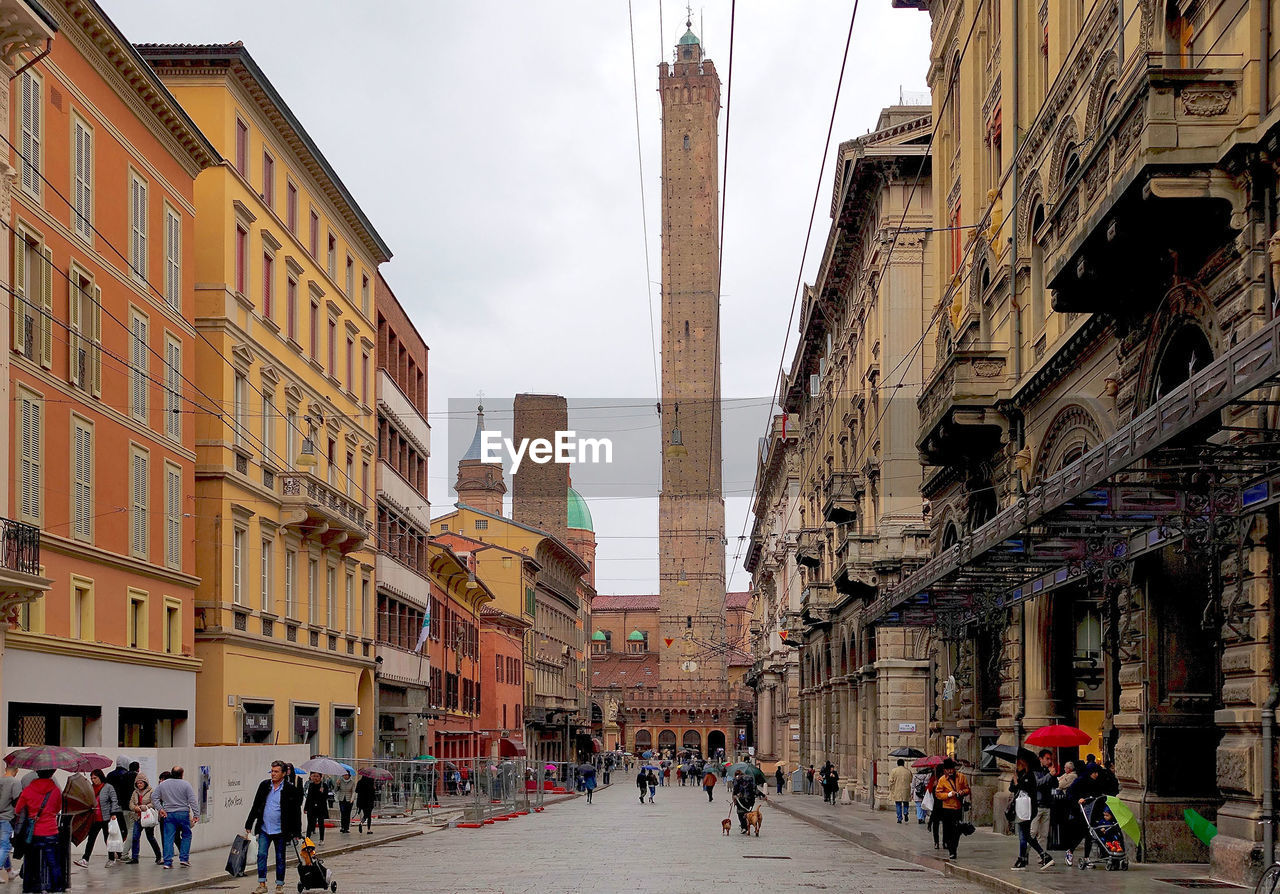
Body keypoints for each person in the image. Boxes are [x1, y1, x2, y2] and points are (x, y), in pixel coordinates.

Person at [245, 760, 303, 894]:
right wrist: (249, 823)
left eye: (276, 771)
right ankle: (262, 884)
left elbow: (296, 812)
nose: (273, 774)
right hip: (265, 828)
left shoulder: (289, 789)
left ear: (283, 773)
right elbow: (256, 805)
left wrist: (296, 832)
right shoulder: (264, 786)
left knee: (280, 857)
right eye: (272, 771)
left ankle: (279, 885)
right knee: (261, 854)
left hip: (281, 830)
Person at [15, 769, 65, 893]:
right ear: (51, 774)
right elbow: (58, 807)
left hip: (33, 832)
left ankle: (29, 888)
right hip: (51, 830)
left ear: (37, 773)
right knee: (53, 862)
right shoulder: (56, 790)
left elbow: (17, 809)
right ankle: (57, 888)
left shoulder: (28, 790)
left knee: (30, 861)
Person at [1010, 758, 1053, 870]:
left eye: (1019, 763)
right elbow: (1012, 789)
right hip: (1020, 809)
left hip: (1028, 809)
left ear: (1024, 764)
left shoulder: (1030, 776)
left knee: (1027, 835)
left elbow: (1026, 788)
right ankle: (1022, 860)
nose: (1017, 765)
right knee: (1024, 836)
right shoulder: (1021, 775)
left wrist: (1016, 781)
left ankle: (1043, 856)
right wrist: (1015, 780)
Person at [154, 765, 198, 869]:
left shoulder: (163, 784)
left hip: (168, 813)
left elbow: (154, 797)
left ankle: (167, 861)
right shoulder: (186, 785)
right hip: (183, 813)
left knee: (168, 837)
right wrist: (196, 814)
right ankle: (184, 859)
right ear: (182, 774)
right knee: (187, 834)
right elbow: (192, 800)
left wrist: (160, 809)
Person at [1062, 761, 1106, 866]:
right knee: (1082, 833)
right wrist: (1078, 800)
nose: (1096, 775)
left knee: (1089, 834)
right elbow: (1070, 793)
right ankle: (1070, 851)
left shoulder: (1097, 783)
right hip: (1081, 811)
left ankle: (1086, 857)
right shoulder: (1080, 781)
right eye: (1094, 773)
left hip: (1093, 810)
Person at [76, 768, 122, 867]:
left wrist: (113, 813)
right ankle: (85, 859)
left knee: (108, 839)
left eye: (95, 778)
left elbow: (114, 800)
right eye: (92, 778)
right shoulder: (90, 788)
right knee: (91, 839)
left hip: (106, 818)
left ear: (100, 777)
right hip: (94, 818)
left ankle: (111, 858)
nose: (93, 780)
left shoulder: (108, 787)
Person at [934, 758, 971, 860]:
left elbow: (967, 789)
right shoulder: (942, 780)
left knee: (957, 830)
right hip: (947, 808)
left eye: (951, 769)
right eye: (948, 769)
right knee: (948, 830)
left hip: (958, 808)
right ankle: (951, 848)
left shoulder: (961, 777)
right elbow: (938, 794)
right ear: (945, 770)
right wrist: (949, 794)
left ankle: (953, 849)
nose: (950, 771)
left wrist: (962, 792)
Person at [126, 772, 162, 864]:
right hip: (137, 817)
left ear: (145, 782)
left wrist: (146, 807)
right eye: (137, 783)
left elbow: (154, 802)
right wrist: (135, 808)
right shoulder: (135, 792)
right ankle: (135, 857)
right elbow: (131, 803)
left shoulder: (151, 791)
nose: (139, 785)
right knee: (135, 837)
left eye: (141, 783)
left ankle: (158, 856)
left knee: (150, 837)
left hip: (147, 817)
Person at [105, 756, 135, 852]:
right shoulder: (126, 775)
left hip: (110, 807)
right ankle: (121, 850)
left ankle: (113, 851)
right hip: (123, 806)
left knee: (113, 830)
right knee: (124, 829)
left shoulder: (109, 775)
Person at [1031, 750, 1059, 851]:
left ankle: (1042, 856)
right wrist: (1049, 775)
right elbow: (1037, 784)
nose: (1049, 761)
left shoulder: (1048, 771)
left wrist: (1053, 775)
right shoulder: (1035, 771)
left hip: (1047, 804)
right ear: (1041, 759)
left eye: (1050, 759)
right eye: (1047, 759)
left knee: (1044, 834)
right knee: (1032, 832)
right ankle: (1024, 854)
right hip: (1037, 805)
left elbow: (1056, 785)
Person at [0, 765, 20, 882]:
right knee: (5, 846)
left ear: (5, 769)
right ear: (16, 770)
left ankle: (10, 871)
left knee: (3, 844)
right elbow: (18, 801)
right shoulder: (15, 783)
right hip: (6, 817)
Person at [731, 770, 762, 835]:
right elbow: (754, 788)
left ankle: (744, 827)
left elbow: (735, 789)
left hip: (741, 799)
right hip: (750, 799)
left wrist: (734, 797)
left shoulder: (737, 779)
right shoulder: (750, 778)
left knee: (740, 813)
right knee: (747, 813)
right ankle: (749, 825)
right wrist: (762, 795)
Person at [303, 771, 329, 843]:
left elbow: (325, 798)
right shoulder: (311, 785)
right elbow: (309, 797)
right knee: (310, 824)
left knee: (321, 823)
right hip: (311, 807)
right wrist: (306, 807)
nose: (315, 778)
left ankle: (321, 839)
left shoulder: (324, 786)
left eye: (317, 776)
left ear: (321, 777)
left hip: (320, 808)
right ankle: (307, 839)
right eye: (314, 776)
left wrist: (322, 792)